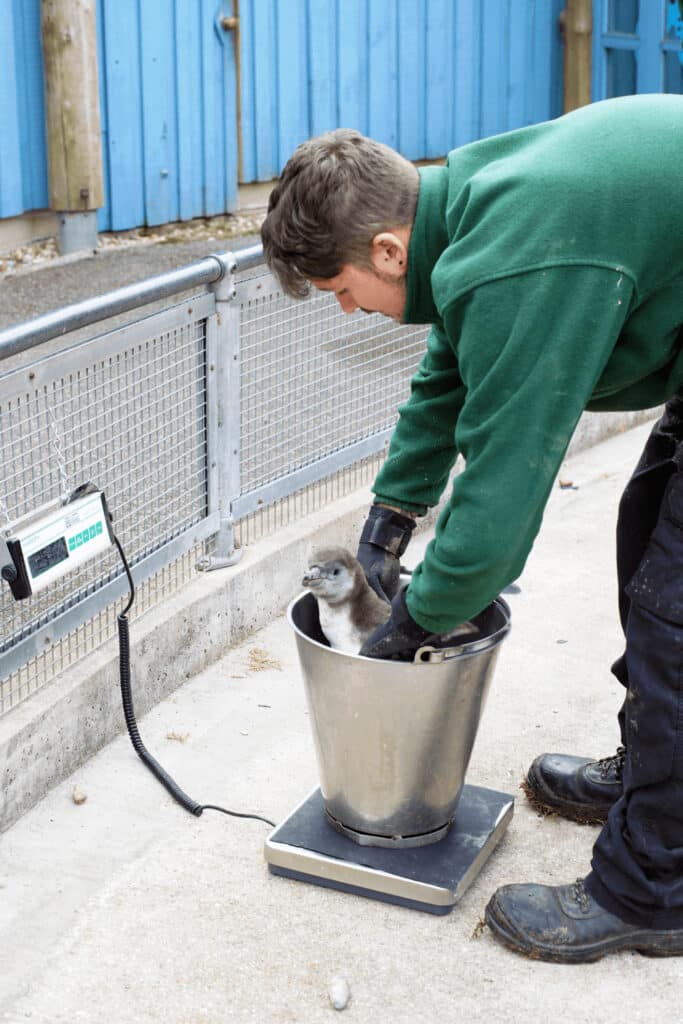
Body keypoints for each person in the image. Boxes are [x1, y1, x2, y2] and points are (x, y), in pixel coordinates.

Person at [261, 93, 683, 963]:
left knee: (673, 612)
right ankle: (656, 779)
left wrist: (412, 630)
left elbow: (504, 487)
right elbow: (450, 373)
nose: (346, 311)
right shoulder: (466, 206)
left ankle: (652, 885)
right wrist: (389, 519)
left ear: (385, 250)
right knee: (648, 540)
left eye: (341, 290)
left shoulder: (519, 255)